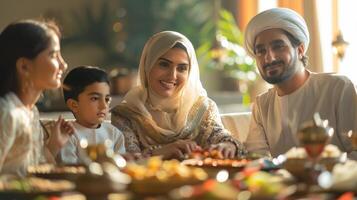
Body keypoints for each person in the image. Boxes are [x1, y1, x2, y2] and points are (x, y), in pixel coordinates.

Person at [111, 31, 247, 160]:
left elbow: (218, 135)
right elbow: (124, 161)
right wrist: (158, 153)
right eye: (164, 64)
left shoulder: (202, 108)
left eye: (182, 68)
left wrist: (228, 145)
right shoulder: (126, 114)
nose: (172, 76)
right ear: (148, 65)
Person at [243, 7, 357, 158]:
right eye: (261, 51)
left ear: (300, 49)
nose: (269, 58)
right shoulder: (262, 105)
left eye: (278, 46)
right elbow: (256, 159)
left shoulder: (338, 88)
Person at [0, 19, 74, 176]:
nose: (64, 64)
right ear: (24, 66)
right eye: (53, 55)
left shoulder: (31, 112)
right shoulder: (6, 113)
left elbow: (29, 171)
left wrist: (53, 146)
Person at [60, 66, 126, 164]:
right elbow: (68, 168)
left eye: (107, 99)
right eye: (94, 98)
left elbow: (121, 166)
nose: (103, 106)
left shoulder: (115, 134)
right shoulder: (67, 134)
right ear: (74, 105)